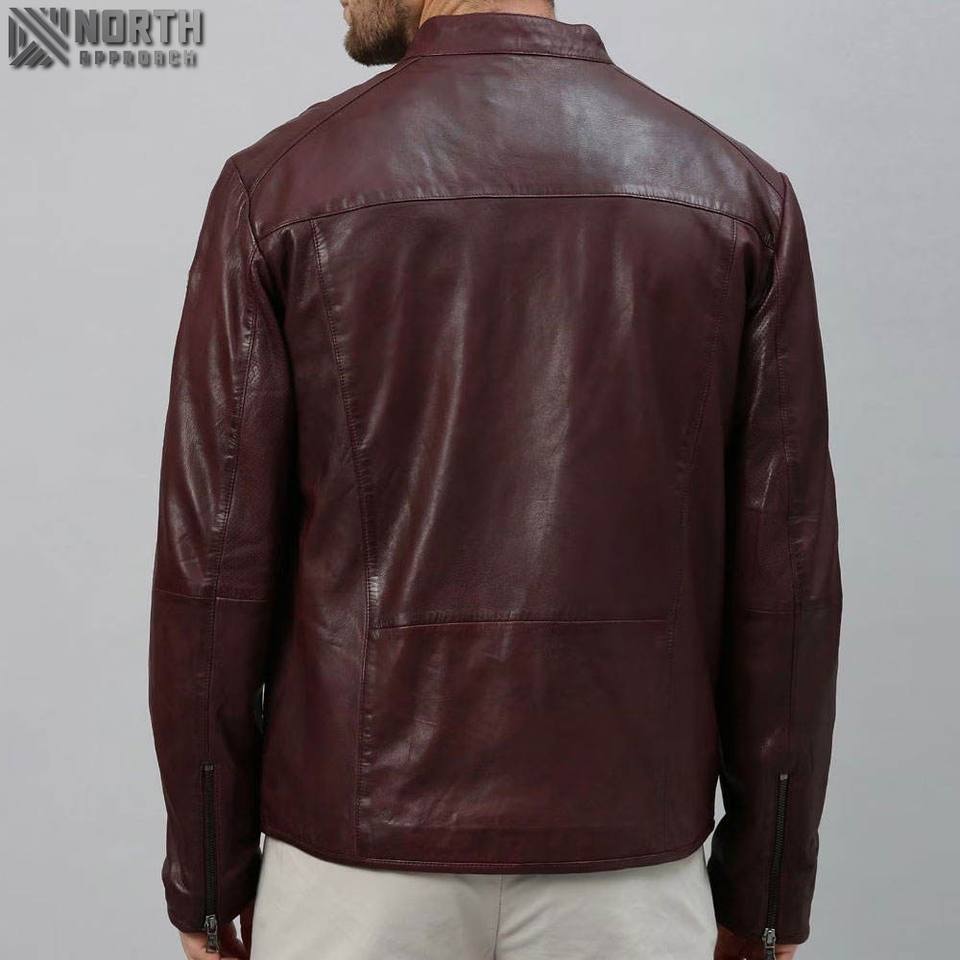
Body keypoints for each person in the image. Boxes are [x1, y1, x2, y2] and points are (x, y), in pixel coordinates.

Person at [148, 2, 842, 958]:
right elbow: (787, 585)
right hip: (629, 866)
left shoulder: (279, 190)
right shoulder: (733, 197)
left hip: (357, 864)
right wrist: (765, 892)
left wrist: (206, 873)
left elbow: (212, 570)